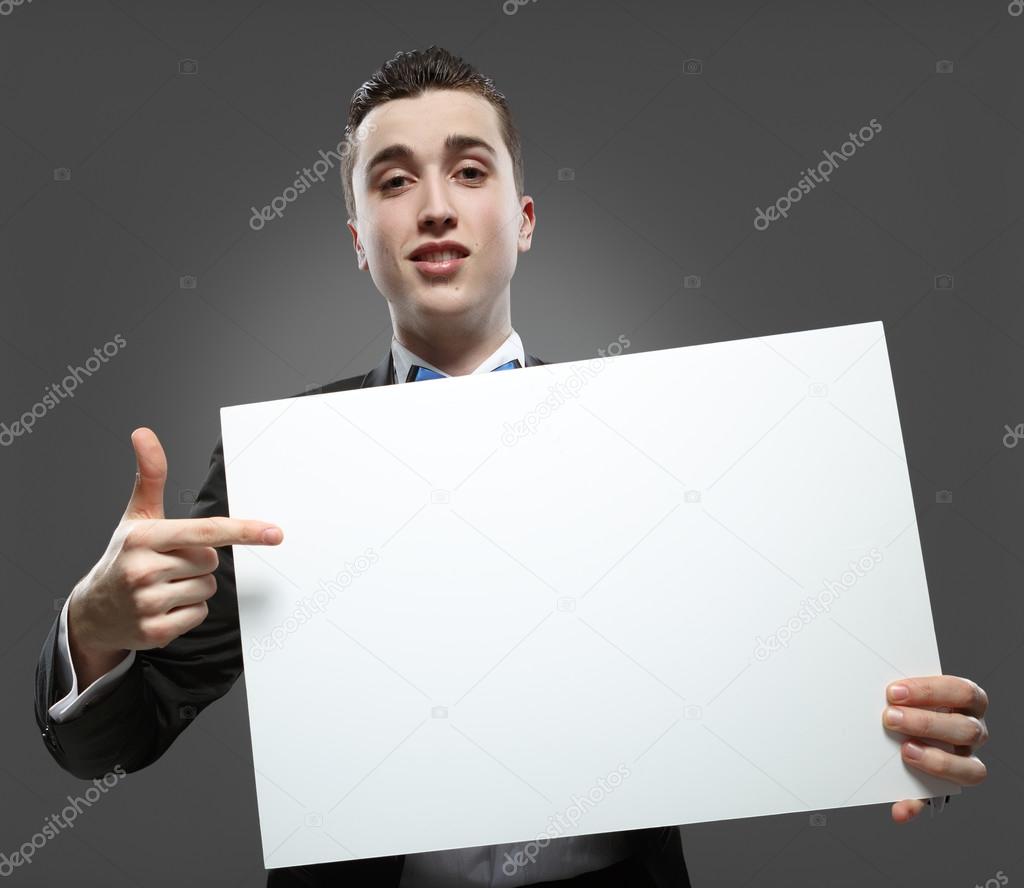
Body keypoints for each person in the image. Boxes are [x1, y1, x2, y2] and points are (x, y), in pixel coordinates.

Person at [34, 45, 989, 888]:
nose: (437, 205)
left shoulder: (659, 441)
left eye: (469, 169)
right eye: (395, 180)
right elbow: (119, 740)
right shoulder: (282, 468)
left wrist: (899, 744)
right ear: (357, 241)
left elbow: (783, 667)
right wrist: (95, 626)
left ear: (523, 219)